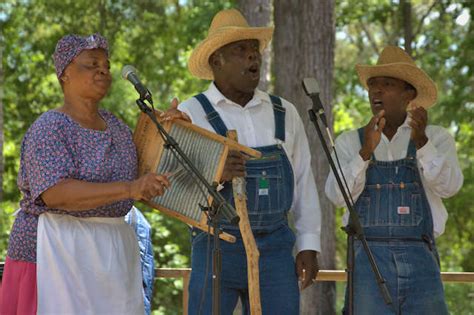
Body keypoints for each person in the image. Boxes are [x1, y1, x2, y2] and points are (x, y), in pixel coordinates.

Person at [162, 9, 321, 315]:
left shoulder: (284, 112)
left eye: (254, 50)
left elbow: (303, 179)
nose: (253, 57)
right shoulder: (190, 114)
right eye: (241, 50)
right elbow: (172, 188)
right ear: (216, 61)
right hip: (214, 247)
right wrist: (214, 174)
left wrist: (308, 243)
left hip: (275, 251)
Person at [0, 33, 171, 314]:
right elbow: (56, 193)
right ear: (64, 73)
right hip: (54, 251)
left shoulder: (116, 126)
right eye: (91, 64)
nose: (103, 70)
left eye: (106, 64)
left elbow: (146, 173)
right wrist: (129, 189)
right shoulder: (50, 127)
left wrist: (170, 129)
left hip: (111, 254)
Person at [325, 46, 463, 314]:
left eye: (386, 84)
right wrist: (364, 152)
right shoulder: (351, 142)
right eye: (372, 85)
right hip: (367, 259)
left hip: (420, 256)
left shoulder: (436, 138)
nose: (376, 91)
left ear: (408, 94)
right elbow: (335, 195)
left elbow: (450, 187)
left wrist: (422, 143)